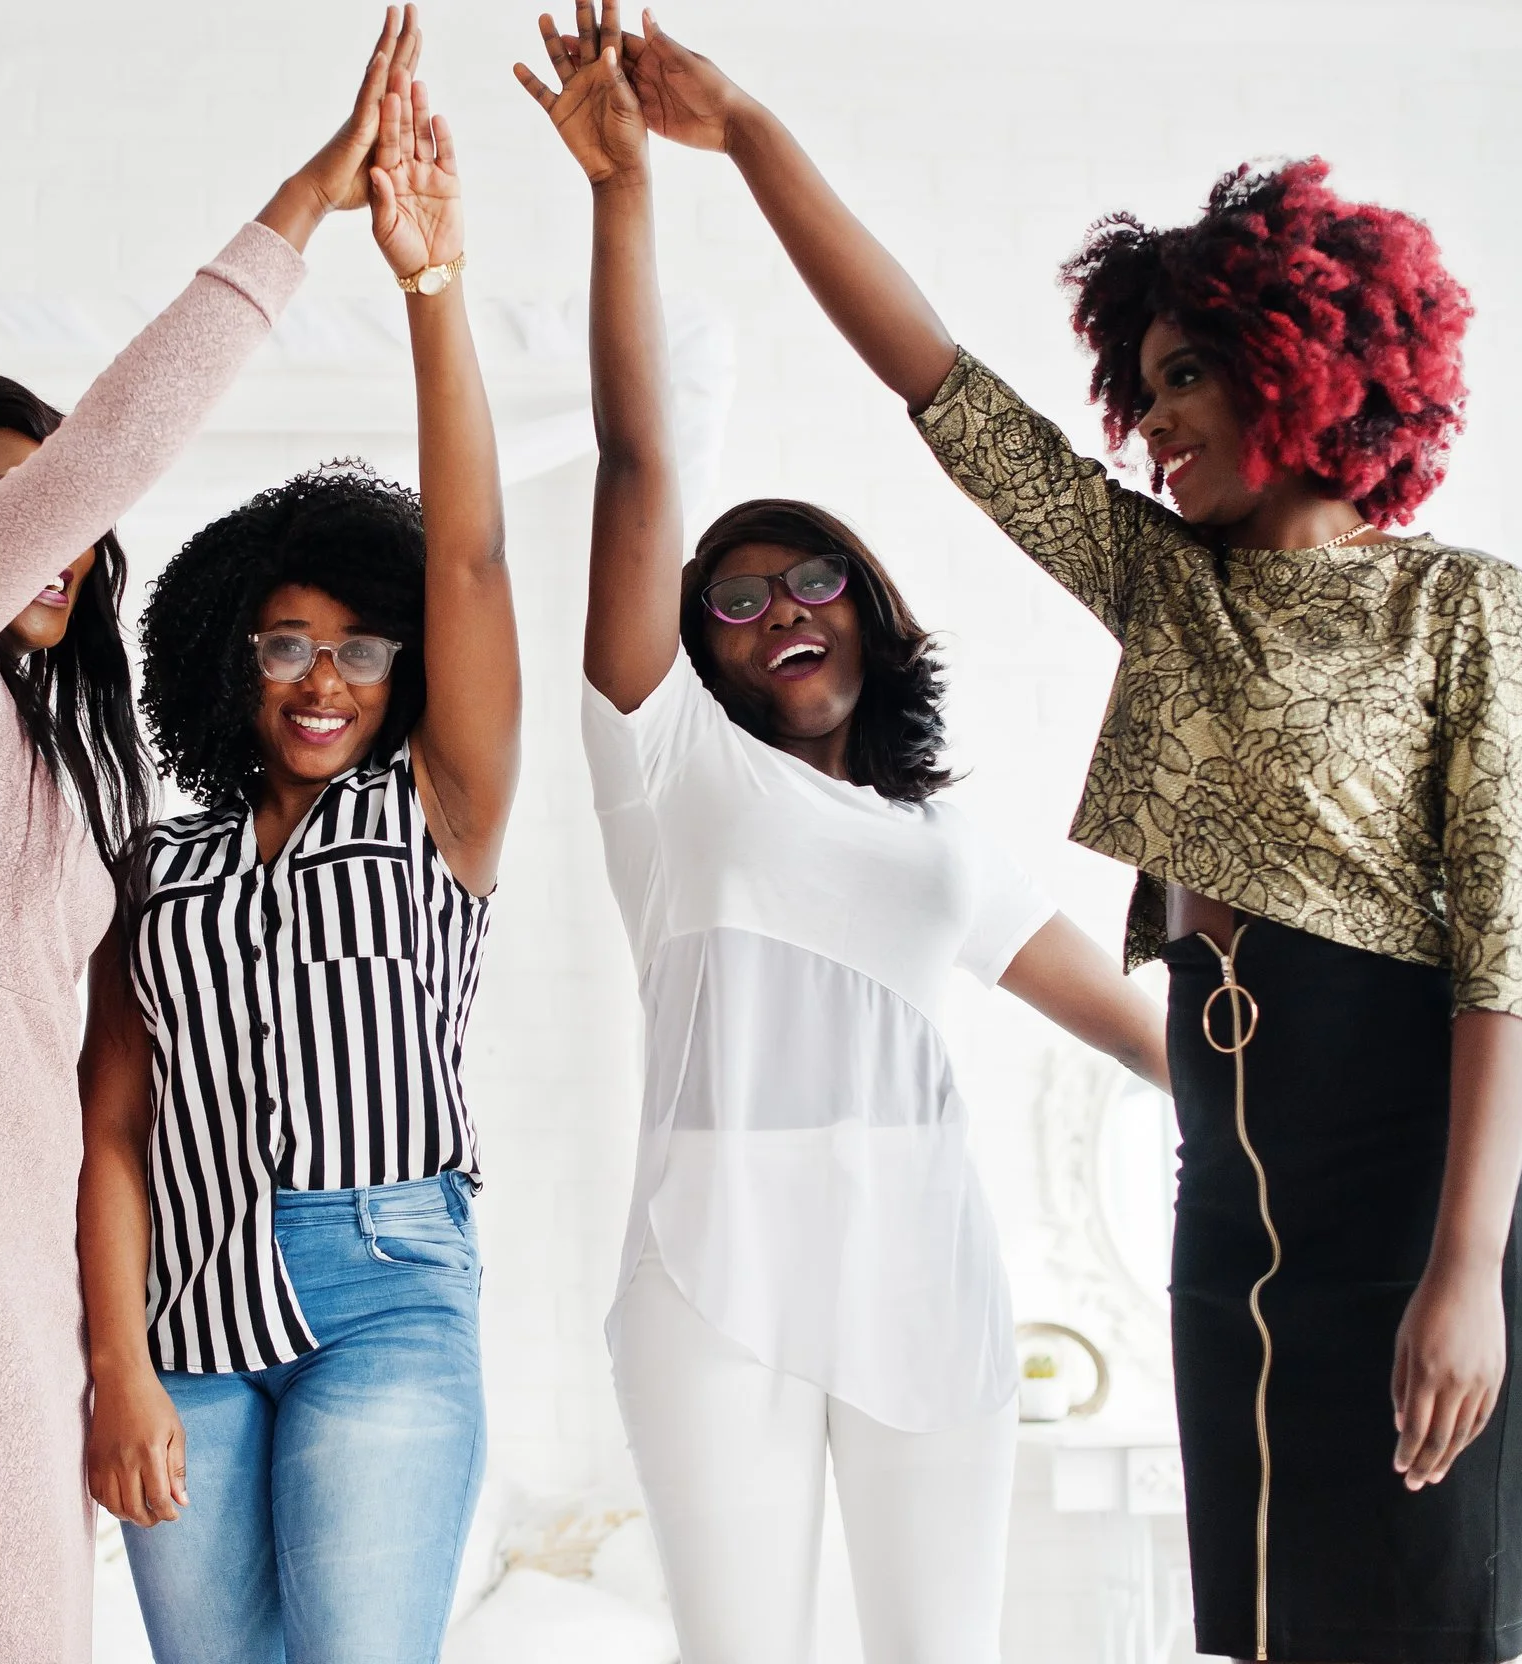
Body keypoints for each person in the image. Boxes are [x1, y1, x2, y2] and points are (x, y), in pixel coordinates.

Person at [591, 12, 1522, 1661]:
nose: (1152, 422)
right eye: (1146, 381)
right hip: (1227, 1198)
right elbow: (934, 379)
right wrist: (744, 134)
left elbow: (1506, 954)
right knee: (1254, 1635)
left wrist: (1465, 1266)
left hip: (1410, 1177)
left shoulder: (1462, 604)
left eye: (1189, 377)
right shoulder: (1166, 591)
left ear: (1305, 362)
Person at [0, 14, 411, 1655]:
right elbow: (113, 456)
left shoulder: (55, 765)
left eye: (53, 519)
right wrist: (307, 204)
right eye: (0, 507)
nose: (55, 542)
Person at [515, 9, 1170, 1661]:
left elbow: (1139, 1029)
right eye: (732, 598)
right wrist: (623, 193)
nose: (772, 609)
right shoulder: (665, 766)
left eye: (811, 580)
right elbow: (639, 453)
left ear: (871, 617)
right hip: (711, 1268)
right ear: (699, 647)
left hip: (925, 1262)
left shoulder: (938, 840)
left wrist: (1357, 1112)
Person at [75, 15, 519, 1662]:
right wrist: (115, 1363)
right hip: (181, 1310)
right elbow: (110, 1132)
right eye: (281, 644)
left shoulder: (440, 814)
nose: (321, 677)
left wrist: (432, 281)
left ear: (400, 664)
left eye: (356, 644)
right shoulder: (160, 867)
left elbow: (469, 560)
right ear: (229, 665)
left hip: (389, 1285)